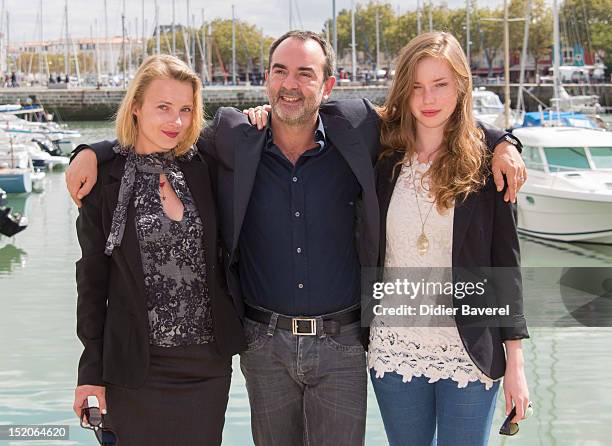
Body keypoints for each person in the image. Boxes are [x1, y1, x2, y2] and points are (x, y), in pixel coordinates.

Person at [66, 31, 525, 446]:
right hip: (263, 345)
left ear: (327, 87)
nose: (291, 83)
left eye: (305, 73)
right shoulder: (233, 136)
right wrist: (92, 150)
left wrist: (505, 141)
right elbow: (160, 138)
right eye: (281, 71)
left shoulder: (357, 128)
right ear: (267, 79)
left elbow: (431, 116)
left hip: (345, 343)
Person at [72, 54, 245, 446]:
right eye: (163, 107)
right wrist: (89, 373)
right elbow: (92, 284)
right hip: (135, 370)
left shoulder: (205, 166)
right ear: (135, 107)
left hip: (207, 368)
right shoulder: (105, 181)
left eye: (186, 109)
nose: (176, 122)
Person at [368, 32, 529, 446]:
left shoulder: (488, 166)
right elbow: (318, 113)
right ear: (404, 91)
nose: (428, 98)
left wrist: (516, 364)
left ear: (461, 86)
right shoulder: (382, 158)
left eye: (440, 84)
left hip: (469, 350)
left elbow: (505, 268)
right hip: (394, 346)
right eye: (417, 87)